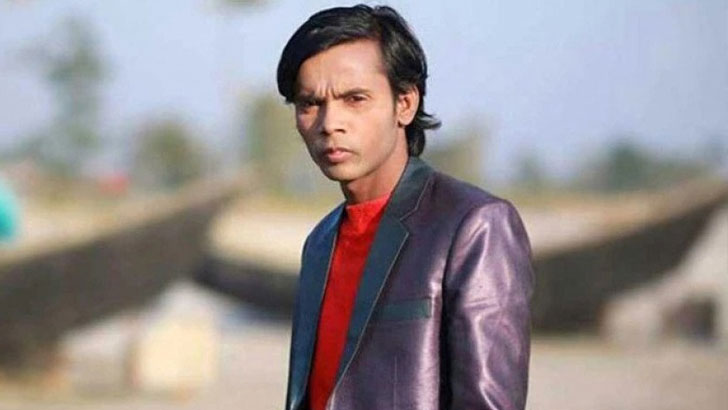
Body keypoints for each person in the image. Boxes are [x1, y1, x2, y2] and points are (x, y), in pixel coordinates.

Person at [276, 5, 534, 410]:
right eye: (310, 103)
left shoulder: (473, 227)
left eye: (355, 99)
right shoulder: (320, 242)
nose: (329, 123)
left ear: (405, 103)